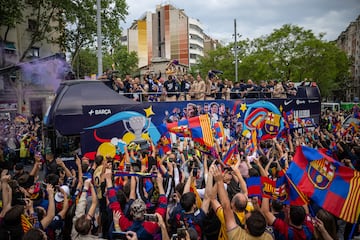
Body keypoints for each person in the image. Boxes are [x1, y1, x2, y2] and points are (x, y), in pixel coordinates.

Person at [211, 165, 273, 240]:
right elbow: (245, 192)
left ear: (246, 228)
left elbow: (214, 200)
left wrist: (219, 181)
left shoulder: (238, 236)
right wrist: (238, 174)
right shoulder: (268, 237)